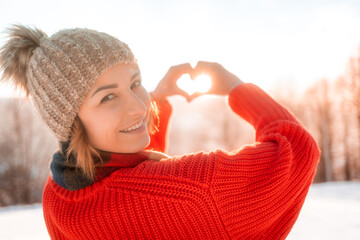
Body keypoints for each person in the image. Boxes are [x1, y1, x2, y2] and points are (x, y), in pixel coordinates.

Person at [0, 24, 320, 240]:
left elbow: (130, 182)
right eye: (108, 97)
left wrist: (160, 102)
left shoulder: (59, 195)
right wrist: (237, 87)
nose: (140, 107)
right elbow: (298, 149)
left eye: (135, 82)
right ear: (70, 122)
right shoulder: (196, 190)